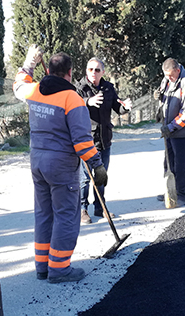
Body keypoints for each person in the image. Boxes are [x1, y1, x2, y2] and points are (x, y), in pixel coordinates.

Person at [13, 45, 107, 283]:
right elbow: (82, 140)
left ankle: (42, 266)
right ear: (70, 72)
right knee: (66, 215)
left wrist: (29, 63)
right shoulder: (72, 98)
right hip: (61, 166)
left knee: (44, 214)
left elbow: (18, 85)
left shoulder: (34, 90)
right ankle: (60, 269)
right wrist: (96, 164)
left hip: (37, 162)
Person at [75, 57, 132, 223]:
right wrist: (87, 101)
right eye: (91, 69)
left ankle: (100, 208)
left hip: (104, 140)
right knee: (84, 179)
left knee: (101, 175)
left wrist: (125, 107)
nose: (94, 72)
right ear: (86, 71)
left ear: (103, 72)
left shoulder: (108, 88)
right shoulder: (79, 88)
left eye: (97, 70)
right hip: (86, 142)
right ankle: (83, 210)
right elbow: (72, 106)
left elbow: (117, 106)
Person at [155, 58, 185, 207]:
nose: (168, 78)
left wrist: (171, 127)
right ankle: (171, 191)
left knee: (180, 164)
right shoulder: (167, 79)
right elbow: (166, 100)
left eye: (171, 75)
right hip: (169, 130)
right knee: (168, 162)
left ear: (178, 70)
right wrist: (159, 97)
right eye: (166, 75)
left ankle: (182, 194)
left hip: (183, 132)